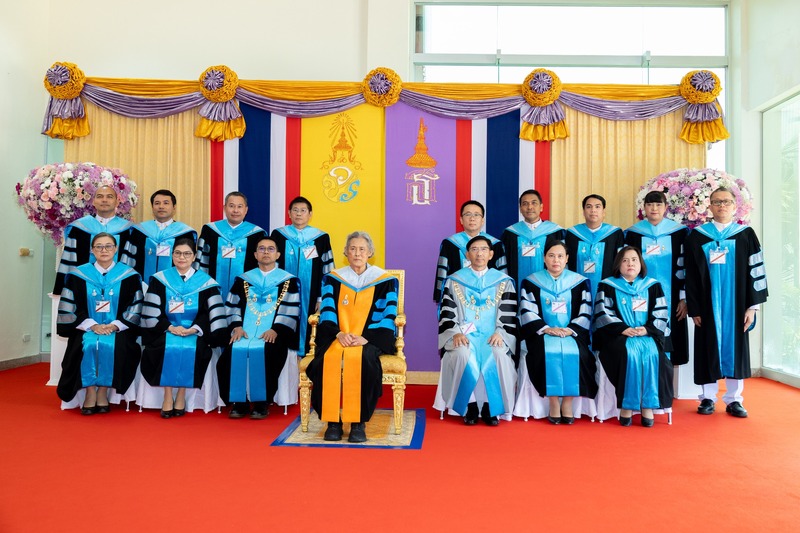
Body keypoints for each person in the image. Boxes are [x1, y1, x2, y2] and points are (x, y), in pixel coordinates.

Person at [306, 231, 398, 443]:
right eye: (353, 249)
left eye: (362, 249)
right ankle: (332, 421)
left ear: (370, 253)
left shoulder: (384, 280)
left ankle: (358, 422)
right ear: (346, 252)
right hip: (338, 336)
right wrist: (338, 333)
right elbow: (327, 312)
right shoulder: (333, 279)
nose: (357, 253)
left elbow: (389, 314)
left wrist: (367, 337)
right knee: (324, 361)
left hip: (369, 338)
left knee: (366, 360)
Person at [685, 187, 768, 418]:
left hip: (737, 304)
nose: (722, 206)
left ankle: (734, 400)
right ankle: (707, 398)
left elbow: (756, 270)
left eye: (726, 202)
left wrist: (752, 307)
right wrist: (694, 308)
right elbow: (691, 275)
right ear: (709, 206)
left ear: (734, 206)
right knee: (706, 348)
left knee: (736, 350)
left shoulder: (746, 234)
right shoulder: (698, 236)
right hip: (707, 305)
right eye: (717, 202)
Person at [140, 237, 228, 418]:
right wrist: (170, 327)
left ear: (194, 256)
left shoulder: (206, 282)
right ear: (172, 255)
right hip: (165, 329)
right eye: (178, 253)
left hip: (194, 332)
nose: (182, 257)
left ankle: (180, 395)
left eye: (187, 254)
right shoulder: (160, 279)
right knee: (165, 347)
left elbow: (209, 314)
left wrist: (194, 329)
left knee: (193, 347)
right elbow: (152, 311)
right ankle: (167, 396)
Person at [56, 233, 143, 414]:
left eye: (108, 246)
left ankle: (102, 391)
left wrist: (115, 325)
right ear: (92, 250)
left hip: (118, 328)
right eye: (99, 247)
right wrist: (92, 325)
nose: (104, 250)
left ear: (116, 249)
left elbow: (136, 307)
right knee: (87, 344)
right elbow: (69, 307)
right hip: (86, 327)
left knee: (113, 345)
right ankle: (90, 392)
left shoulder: (129, 275)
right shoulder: (78, 275)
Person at [435, 235, 517, 426]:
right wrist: (455, 332)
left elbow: (508, 312)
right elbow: (447, 311)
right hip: (464, 336)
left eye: (483, 249)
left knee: (497, 354)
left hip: (492, 335)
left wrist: (500, 332)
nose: (479, 254)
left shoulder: (503, 281)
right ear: (467, 255)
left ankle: (490, 406)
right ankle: (469, 404)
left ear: (491, 254)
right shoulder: (454, 281)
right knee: (461, 353)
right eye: (474, 249)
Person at [218, 237, 301, 419]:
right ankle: (239, 402)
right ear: (255, 254)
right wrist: (237, 326)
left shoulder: (288, 281)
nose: (266, 252)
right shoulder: (243, 280)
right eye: (261, 249)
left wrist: (276, 329)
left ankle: (261, 403)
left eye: (270, 249)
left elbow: (291, 311)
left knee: (269, 352)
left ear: (278, 255)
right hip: (244, 333)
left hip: (273, 333)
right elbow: (231, 306)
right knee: (228, 355)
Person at [593, 246, 674, 427]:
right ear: (618, 264)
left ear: (641, 263)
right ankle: (626, 406)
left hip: (648, 334)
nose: (630, 264)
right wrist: (622, 329)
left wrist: (647, 329)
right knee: (629, 354)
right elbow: (603, 313)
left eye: (634, 260)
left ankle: (648, 405)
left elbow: (661, 313)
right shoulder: (607, 285)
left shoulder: (653, 286)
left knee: (653, 354)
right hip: (618, 336)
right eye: (625, 260)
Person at [518, 241, 597, 424]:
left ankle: (567, 402)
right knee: (543, 353)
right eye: (551, 256)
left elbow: (585, 310)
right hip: (542, 333)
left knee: (581, 354)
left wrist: (570, 330)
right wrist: (546, 329)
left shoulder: (579, 282)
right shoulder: (531, 282)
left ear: (567, 259)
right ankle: (553, 401)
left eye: (560, 256)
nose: (556, 260)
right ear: (544, 258)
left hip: (572, 333)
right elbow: (527, 310)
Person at [625, 191, 690, 366]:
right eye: (650, 204)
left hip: (673, 296)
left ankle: (668, 375)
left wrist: (684, 298)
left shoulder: (679, 233)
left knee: (673, 341)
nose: (654, 208)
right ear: (644, 207)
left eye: (658, 204)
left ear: (665, 207)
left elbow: (685, 268)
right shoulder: (633, 234)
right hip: (640, 295)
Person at [270, 196, 334, 355]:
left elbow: (328, 271)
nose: (299, 214)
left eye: (303, 210)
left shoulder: (321, 238)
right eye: (295, 210)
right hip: (282, 292)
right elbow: (271, 264)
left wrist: (321, 298)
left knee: (309, 322)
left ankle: (305, 356)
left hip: (311, 293)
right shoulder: (279, 235)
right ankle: (284, 357)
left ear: (310, 214)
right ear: (289, 213)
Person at [53, 185, 132, 295]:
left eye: (109, 196)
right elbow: (69, 261)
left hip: (120, 290)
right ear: (93, 202)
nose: (104, 200)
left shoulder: (129, 230)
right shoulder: (78, 228)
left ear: (117, 202)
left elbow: (133, 263)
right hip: (83, 290)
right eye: (100, 196)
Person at [195, 191, 267, 298]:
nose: (235, 210)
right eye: (231, 206)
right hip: (213, 289)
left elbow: (262, 265)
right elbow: (202, 261)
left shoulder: (257, 234)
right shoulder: (210, 230)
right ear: (224, 208)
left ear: (246, 210)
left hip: (247, 291)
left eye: (240, 206)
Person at [433, 200, 506, 303]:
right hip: (457, 297)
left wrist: (504, 297)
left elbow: (502, 275)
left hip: (488, 299)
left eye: (476, 215)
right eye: (468, 214)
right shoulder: (449, 244)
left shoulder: (495, 245)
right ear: (461, 220)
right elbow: (442, 273)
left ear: (482, 220)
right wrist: (442, 296)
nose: (472, 218)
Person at [123, 189, 197, 287]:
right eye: (157, 203)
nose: (161, 206)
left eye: (166, 203)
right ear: (152, 207)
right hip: (143, 286)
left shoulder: (185, 233)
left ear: (174, 207)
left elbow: (189, 263)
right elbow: (130, 262)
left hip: (176, 287)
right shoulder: (139, 231)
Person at [501, 189, 564, 290]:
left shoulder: (555, 232)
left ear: (541, 207)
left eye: (534, 203)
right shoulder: (510, 233)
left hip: (549, 289)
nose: (530, 207)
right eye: (525, 204)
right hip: (516, 287)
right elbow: (503, 263)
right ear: (520, 208)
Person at [565, 194, 624, 301]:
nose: (593, 210)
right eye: (589, 207)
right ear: (583, 212)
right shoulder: (572, 234)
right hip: (576, 289)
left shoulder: (615, 234)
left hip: (607, 289)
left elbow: (620, 263)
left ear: (603, 212)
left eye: (597, 207)